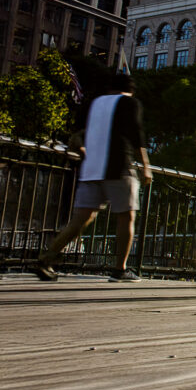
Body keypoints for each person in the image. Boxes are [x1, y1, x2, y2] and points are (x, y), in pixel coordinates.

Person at [32, 73, 152, 282]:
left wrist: (85, 153)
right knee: (126, 217)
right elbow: (136, 134)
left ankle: (45, 259)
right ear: (131, 89)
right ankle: (120, 269)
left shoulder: (94, 104)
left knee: (80, 219)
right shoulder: (130, 103)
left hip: (91, 170)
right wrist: (146, 166)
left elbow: (76, 136)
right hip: (118, 168)